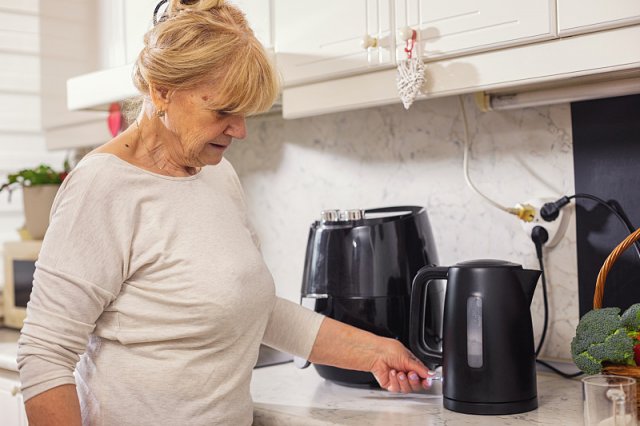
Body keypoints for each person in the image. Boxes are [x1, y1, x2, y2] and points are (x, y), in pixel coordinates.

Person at [17, 1, 433, 425]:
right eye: (222, 111)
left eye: (245, 112)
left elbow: (254, 310)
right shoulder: (102, 188)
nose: (241, 130)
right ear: (162, 90)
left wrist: (375, 350)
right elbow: (44, 356)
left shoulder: (219, 177)